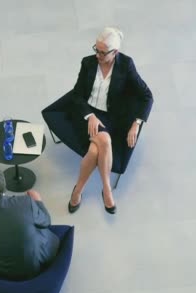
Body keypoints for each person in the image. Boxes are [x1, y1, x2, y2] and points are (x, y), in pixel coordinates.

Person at [68, 27, 153, 215]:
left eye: (102, 52)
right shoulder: (88, 63)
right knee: (104, 141)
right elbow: (76, 95)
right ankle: (107, 190)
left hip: (110, 117)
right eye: (96, 49)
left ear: (115, 52)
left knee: (94, 149)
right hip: (86, 114)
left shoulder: (126, 65)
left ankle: (77, 191)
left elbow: (147, 96)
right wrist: (90, 116)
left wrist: (136, 122)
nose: (97, 54)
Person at [0, 163, 60, 280]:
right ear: (4, 182)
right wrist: (38, 201)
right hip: (33, 266)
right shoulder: (25, 202)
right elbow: (46, 222)